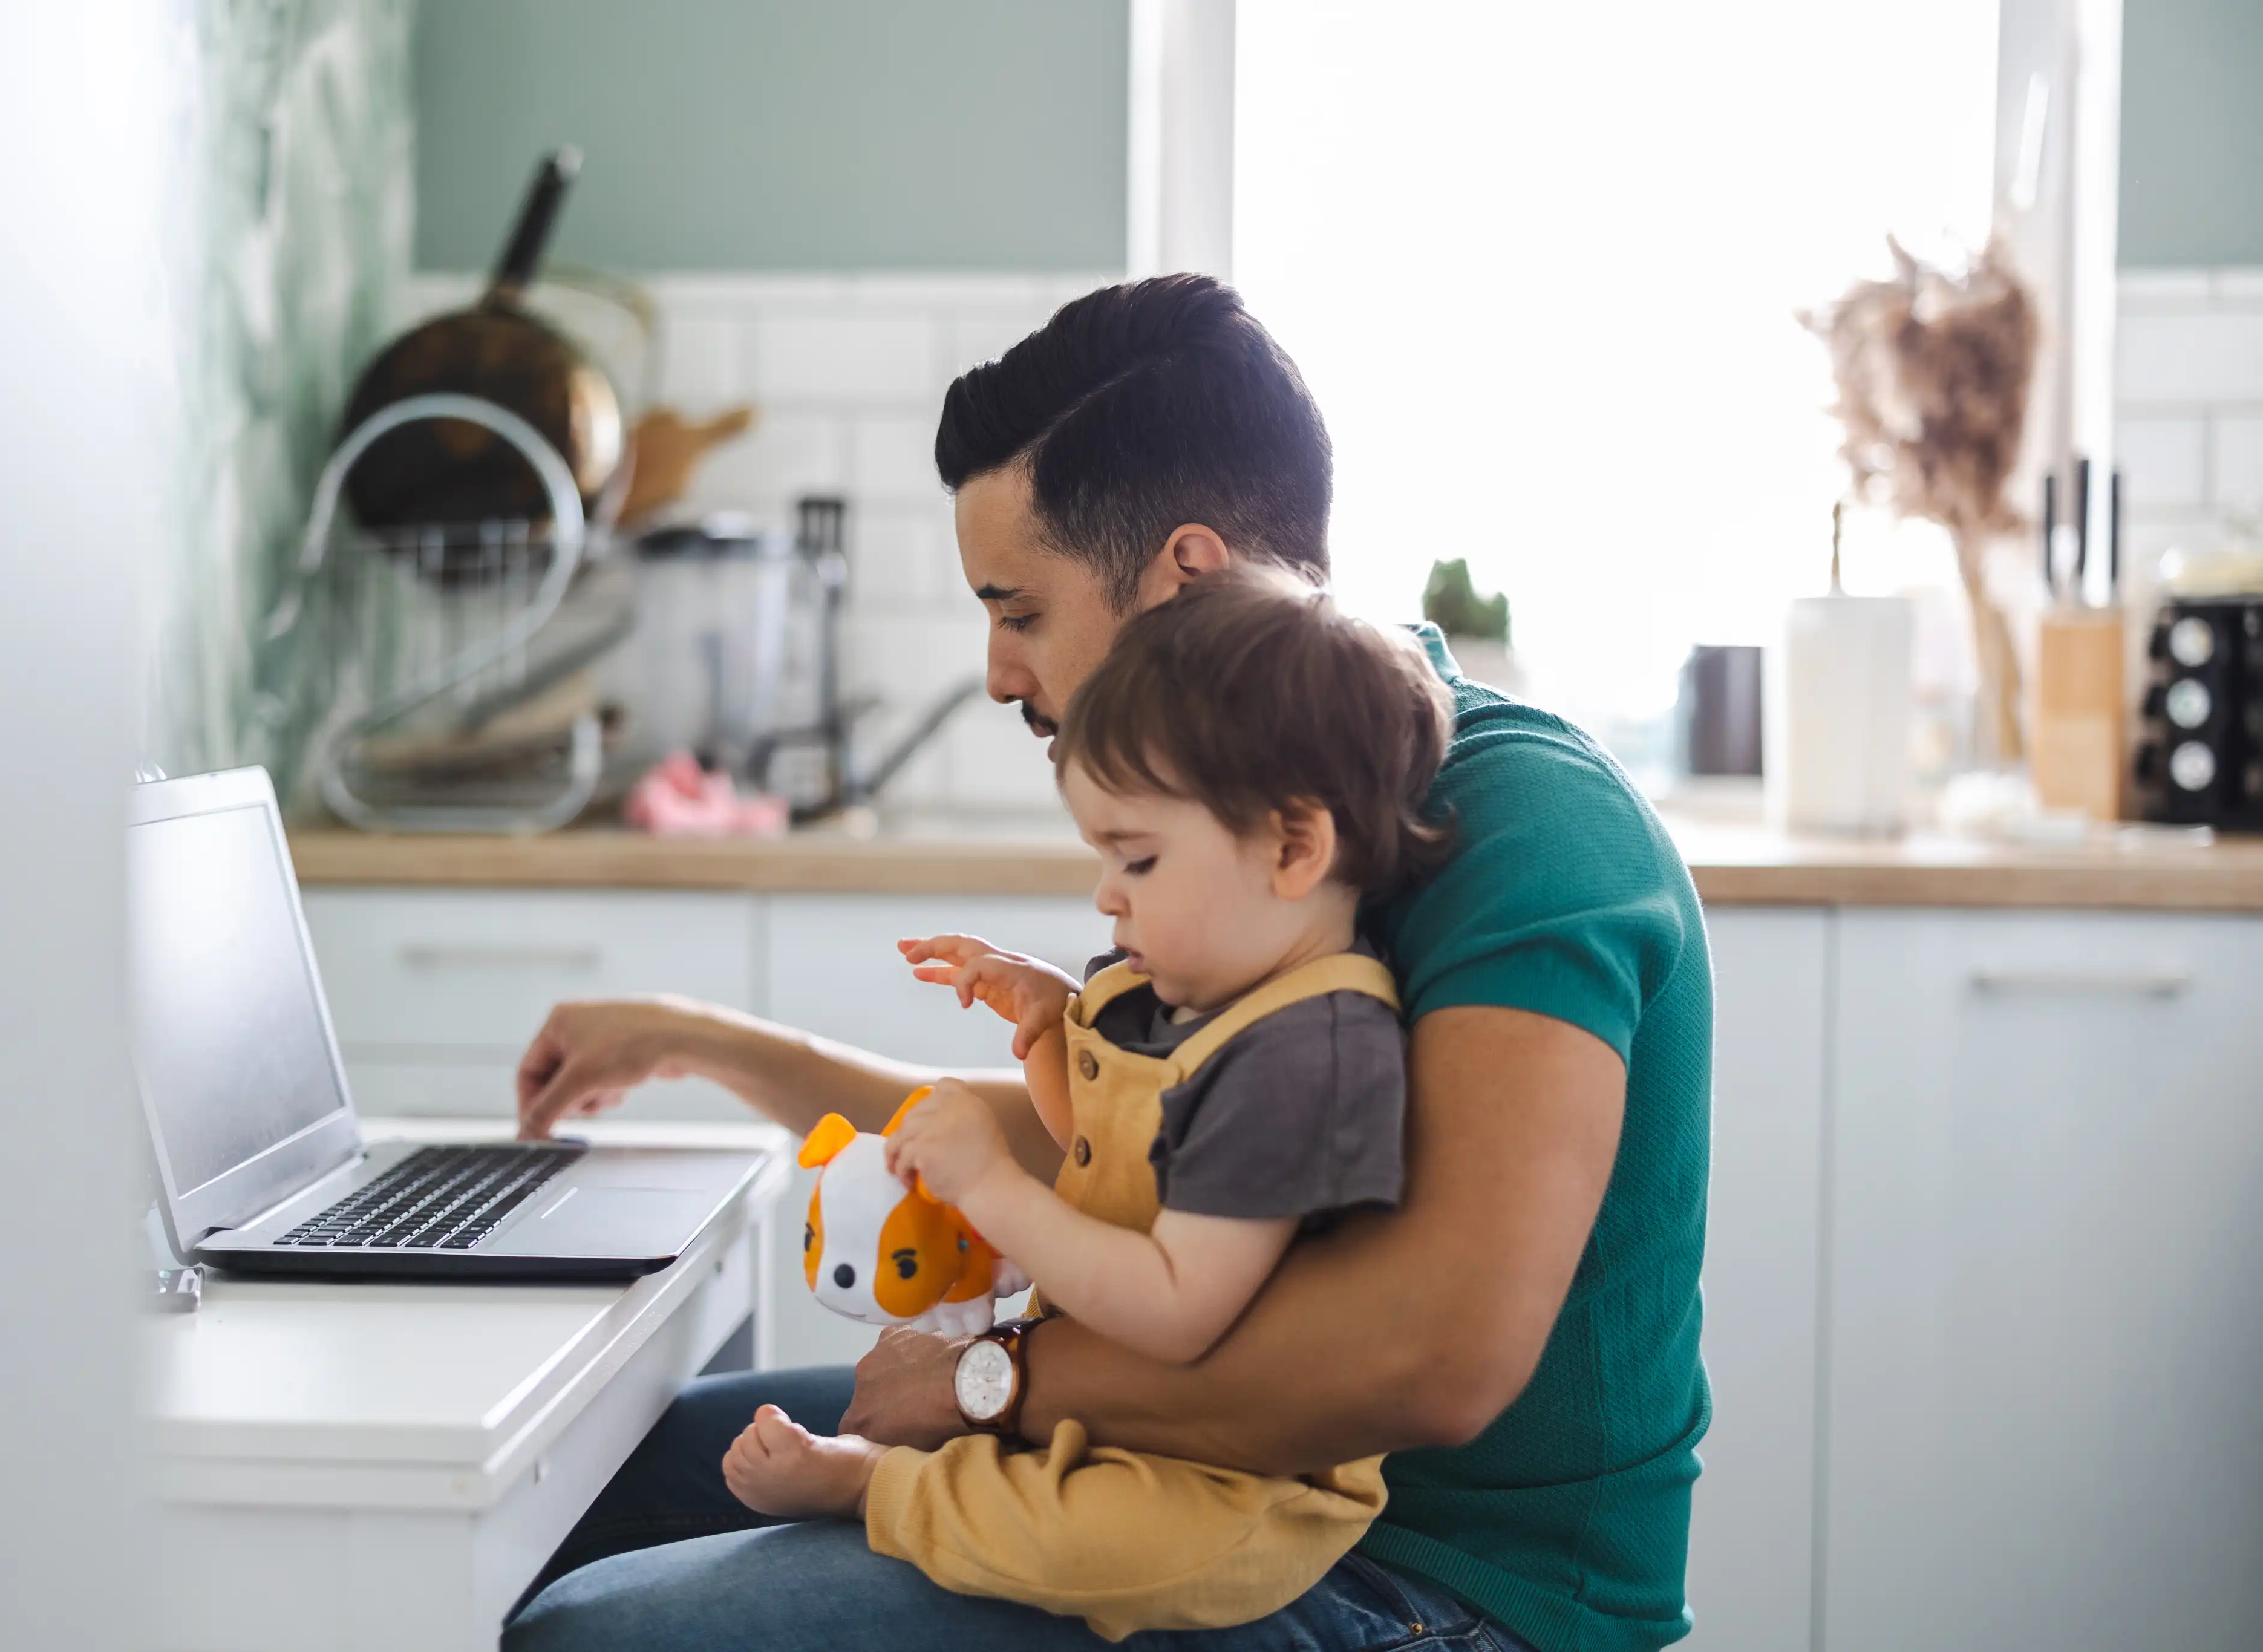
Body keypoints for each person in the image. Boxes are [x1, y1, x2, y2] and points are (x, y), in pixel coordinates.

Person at [508, 275, 1713, 1652]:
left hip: (1440, 1585)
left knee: (607, 1634)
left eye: (1018, 610)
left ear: (1183, 579)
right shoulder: (1235, 812)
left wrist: (987, 1380)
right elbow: (1125, 1149)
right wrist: (708, 1045)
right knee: (593, 1486)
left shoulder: (1524, 831)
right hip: (1205, 1481)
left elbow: (1429, 1359)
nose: (996, 673)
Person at [719, 567, 1452, 1639]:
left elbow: (1172, 1299)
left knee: (1097, 1545)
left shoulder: (1306, 1054)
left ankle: (874, 1487)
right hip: (1131, 1413)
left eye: (1139, 858)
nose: (1108, 895)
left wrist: (990, 1187)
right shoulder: (1219, 997)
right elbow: (1135, 1175)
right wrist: (1058, 1034)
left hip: (1229, 1485)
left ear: (1294, 848)